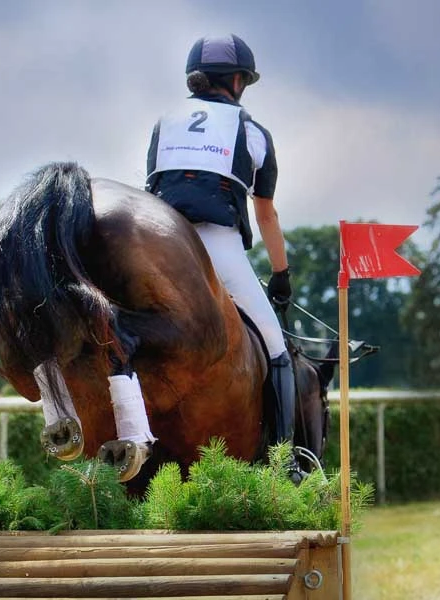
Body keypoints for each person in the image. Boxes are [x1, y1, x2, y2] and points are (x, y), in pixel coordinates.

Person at [145, 34, 304, 482]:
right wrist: (281, 274)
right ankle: (283, 460)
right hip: (216, 244)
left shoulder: (164, 122)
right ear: (237, 81)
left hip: (162, 242)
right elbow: (266, 214)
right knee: (276, 349)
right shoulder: (252, 132)